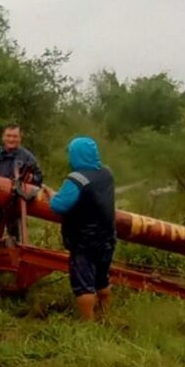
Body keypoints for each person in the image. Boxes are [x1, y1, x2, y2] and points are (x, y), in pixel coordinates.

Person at [46, 136, 116, 321]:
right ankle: (106, 315)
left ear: (76, 155)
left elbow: (59, 206)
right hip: (107, 238)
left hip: (84, 241)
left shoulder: (76, 179)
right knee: (102, 279)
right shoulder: (107, 173)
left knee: (84, 286)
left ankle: (88, 327)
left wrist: (51, 195)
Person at [0, 124, 43, 238]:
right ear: (3, 137)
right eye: (8, 136)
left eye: (15, 136)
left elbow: (39, 178)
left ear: (20, 138)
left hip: (16, 207)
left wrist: (31, 178)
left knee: (16, 240)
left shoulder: (27, 157)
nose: (11, 139)